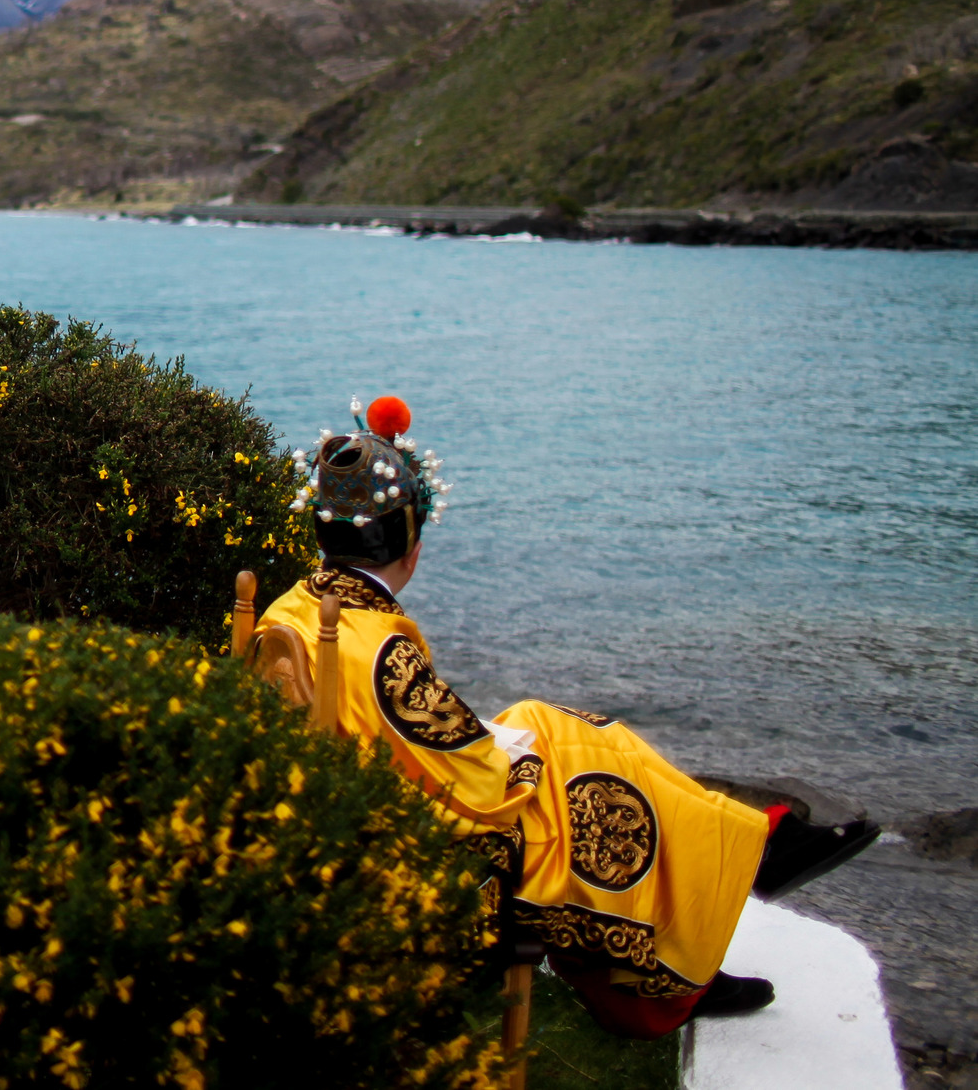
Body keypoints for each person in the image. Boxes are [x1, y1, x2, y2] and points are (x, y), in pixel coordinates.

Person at [255, 397, 880, 1040]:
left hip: (372, 809)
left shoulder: (295, 607)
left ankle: (749, 857)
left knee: (568, 729)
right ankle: (697, 929)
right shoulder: (379, 645)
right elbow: (476, 781)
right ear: (411, 543)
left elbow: (413, 735)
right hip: (437, 851)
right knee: (593, 777)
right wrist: (526, 759)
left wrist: (515, 741)